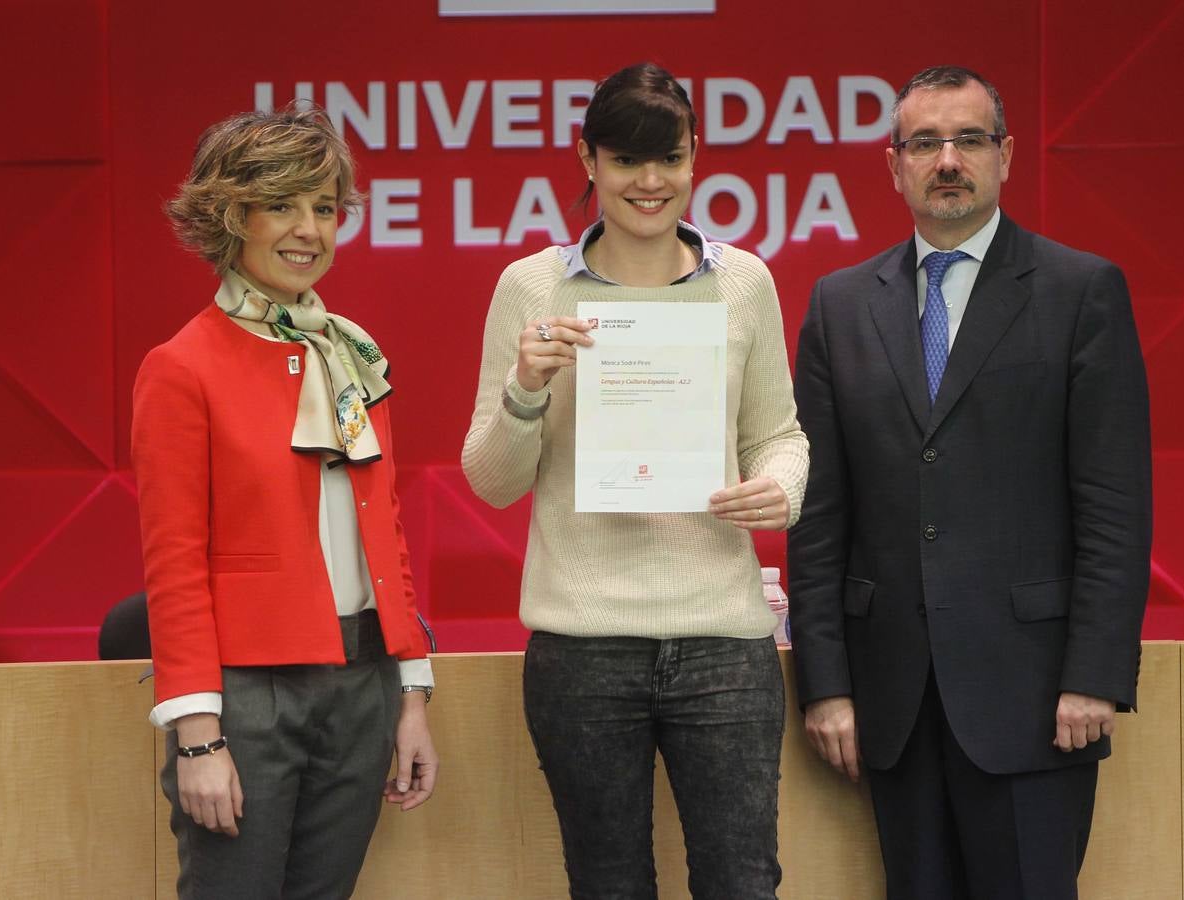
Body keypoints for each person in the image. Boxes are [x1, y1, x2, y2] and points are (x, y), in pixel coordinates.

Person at [788, 65, 1152, 899]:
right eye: (924, 143)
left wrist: (1094, 672)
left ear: (1006, 154)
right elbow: (818, 516)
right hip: (892, 706)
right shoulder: (840, 305)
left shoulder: (1079, 290)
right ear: (894, 164)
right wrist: (828, 683)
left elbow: (1114, 506)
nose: (946, 160)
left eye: (968, 140)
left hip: (1035, 701)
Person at [462, 61, 808, 899]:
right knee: (608, 883)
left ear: (697, 158)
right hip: (582, 646)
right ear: (587, 160)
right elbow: (492, 481)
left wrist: (779, 490)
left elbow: (779, 435)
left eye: (671, 160)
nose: (650, 183)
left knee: (743, 882)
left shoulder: (743, 282)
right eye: (626, 160)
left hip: (726, 643)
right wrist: (524, 391)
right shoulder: (532, 287)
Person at [132, 105, 438, 899]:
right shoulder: (181, 367)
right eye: (283, 205)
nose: (311, 230)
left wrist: (411, 691)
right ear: (232, 216)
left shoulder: (351, 352)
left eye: (326, 208)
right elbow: (173, 564)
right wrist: (198, 738)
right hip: (247, 696)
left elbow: (386, 532)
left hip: (362, 682)